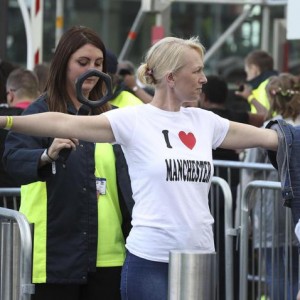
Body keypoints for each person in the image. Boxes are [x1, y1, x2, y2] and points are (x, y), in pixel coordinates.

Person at [0, 36, 279, 300]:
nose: (203, 79)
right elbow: (63, 123)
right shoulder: (132, 118)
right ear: (171, 77)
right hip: (147, 258)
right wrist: (6, 121)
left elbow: (271, 138)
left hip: (199, 256)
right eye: (197, 71)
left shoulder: (206, 122)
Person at [3, 26, 133, 300]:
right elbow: (13, 159)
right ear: (63, 65)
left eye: (98, 63)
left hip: (109, 255)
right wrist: (46, 155)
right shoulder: (40, 112)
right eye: (82, 63)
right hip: (54, 253)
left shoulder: (114, 118)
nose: (92, 70)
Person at [199, 75, 265, 299]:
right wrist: (251, 97)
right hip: (233, 189)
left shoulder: (203, 119)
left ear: (203, 96)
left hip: (209, 190)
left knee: (215, 240)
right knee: (230, 241)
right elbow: (264, 117)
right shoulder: (235, 118)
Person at [242, 73, 300, 300]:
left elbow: (248, 171)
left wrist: (245, 212)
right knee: (295, 271)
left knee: (274, 270)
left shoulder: (268, 129)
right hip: (295, 209)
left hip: (270, 210)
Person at [0, 68, 39, 191]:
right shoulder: (47, 121)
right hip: (34, 200)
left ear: (10, 95)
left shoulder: (3, 120)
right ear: (38, 94)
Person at [235, 50, 278, 118]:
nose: (247, 78)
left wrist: (249, 97)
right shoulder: (275, 82)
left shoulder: (265, 87)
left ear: (253, 68)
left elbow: (265, 116)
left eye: (247, 72)